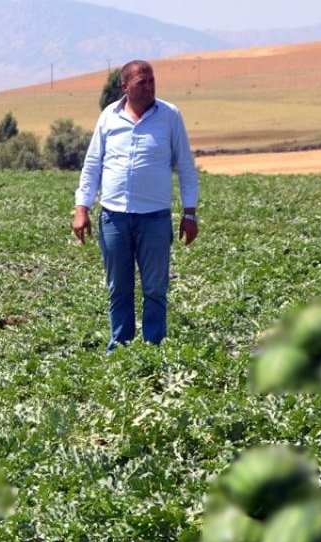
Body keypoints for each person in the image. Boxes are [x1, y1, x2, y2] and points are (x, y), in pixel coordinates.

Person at [72, 60, 198, 351]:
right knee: (119, 288)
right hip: (114, 218)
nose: (150, 86)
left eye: (152, 80)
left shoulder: (169, 116)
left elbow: (187, 169)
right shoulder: (109, 117)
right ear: (125, 86)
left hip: (154, 219)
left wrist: (189, 212)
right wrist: (82, 208)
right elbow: (92, 166)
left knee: (155, 288)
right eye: (143, 82)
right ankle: (120, 348)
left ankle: (153, 348)